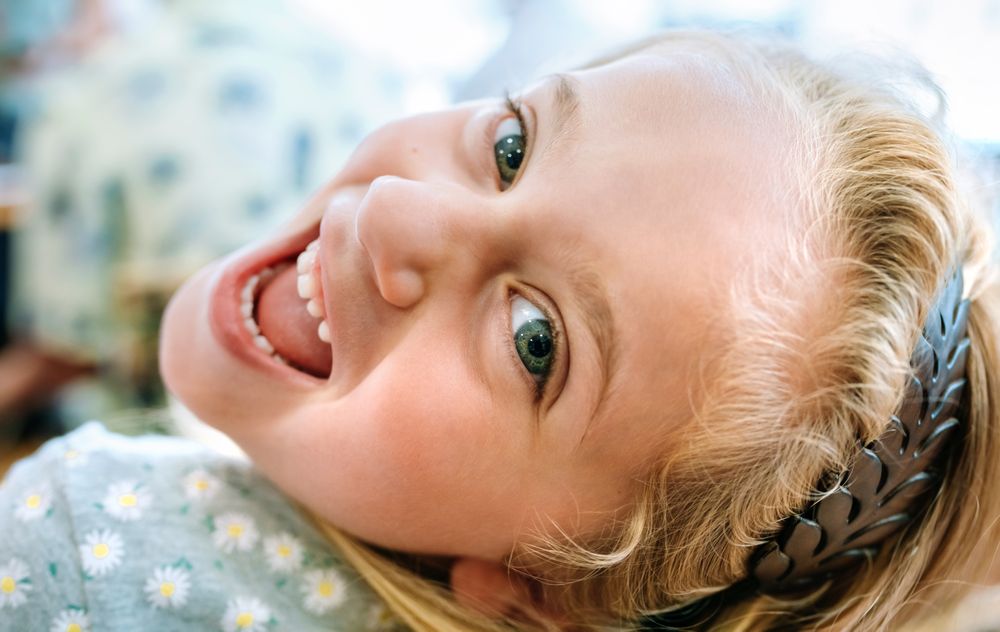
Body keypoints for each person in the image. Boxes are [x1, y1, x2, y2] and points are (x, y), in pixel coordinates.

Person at [3, 29, 1000, 631]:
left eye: (536, 340)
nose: (398, 209)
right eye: (511, 145)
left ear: (545, 589)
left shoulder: (94, 544)